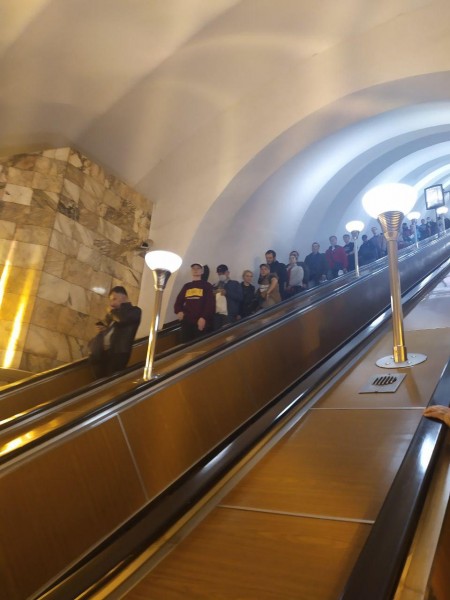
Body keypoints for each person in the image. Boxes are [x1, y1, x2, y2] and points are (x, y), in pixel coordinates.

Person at [88, 286, 142, 379]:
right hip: (104, 353)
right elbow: (110, 326)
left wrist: (111, 311)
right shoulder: (114, 313)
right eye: (111, 301)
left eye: (114, 299)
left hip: (118, 353)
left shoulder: (135, 311)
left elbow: (122, 319)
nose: (112, 304)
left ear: (124, 297)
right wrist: (103, 328)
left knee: (111, 381)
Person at [174, 262, 215, 343]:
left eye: (198, 268)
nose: (195, 270)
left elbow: (210, 304)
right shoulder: (187, 286)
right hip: (187, 321)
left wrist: (203, 317)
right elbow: (178, 301)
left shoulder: (207, 285)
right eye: (193, 268)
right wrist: (179, 311)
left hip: (200, 321)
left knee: (198, 346)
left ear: (202, 271)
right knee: (185, 345)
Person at [212, 264, 243, 330]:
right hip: (217, 315)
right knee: (216, 336)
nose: (221, 275)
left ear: (228, 273)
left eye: (223, 273)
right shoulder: (215, 285)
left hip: (229, 315)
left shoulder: (235, 283)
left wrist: (227, 293)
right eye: (219, 274)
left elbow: (240, 297)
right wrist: (213, 295)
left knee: (227, 335)